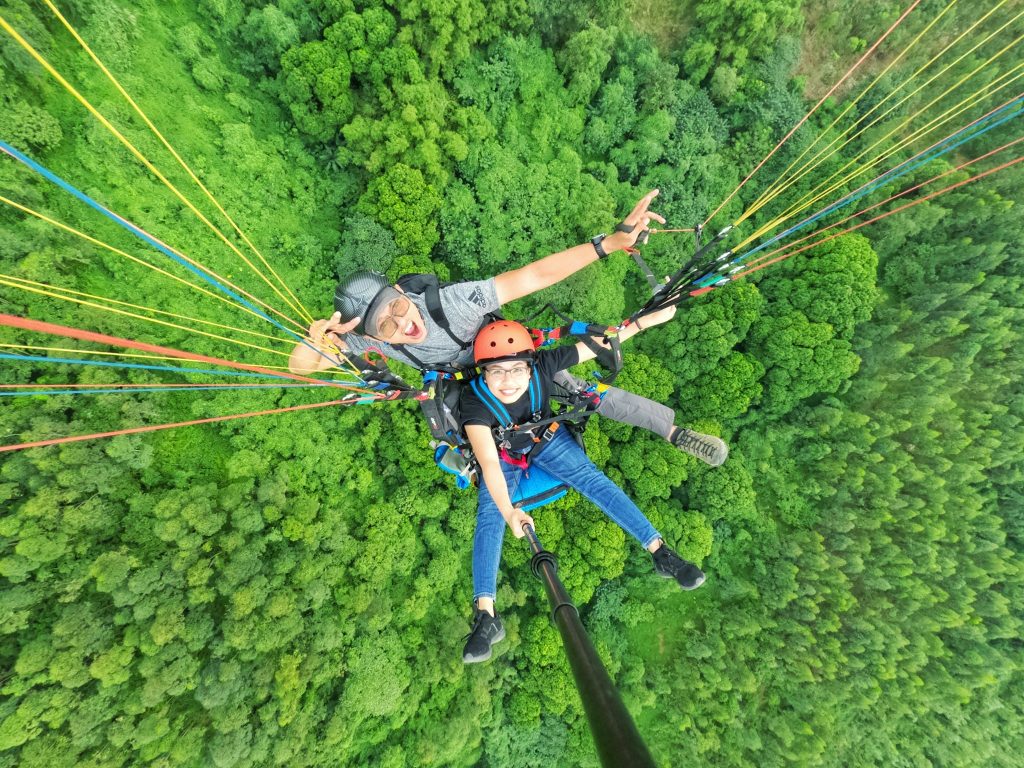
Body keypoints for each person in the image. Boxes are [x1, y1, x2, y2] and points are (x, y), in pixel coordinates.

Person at [288, 190, 728, 466]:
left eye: (398, 306)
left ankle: (674, 432)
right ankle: (488, 472)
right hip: (459, 382)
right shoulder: (366, 337)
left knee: (577, 388)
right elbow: (300, 369)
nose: (403, 323)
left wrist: (606, 244)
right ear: (372, 333)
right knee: (462, 426)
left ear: (402, 290)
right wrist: (315, 339)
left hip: (501, 351)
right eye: (386, 324)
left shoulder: (454, 304)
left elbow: (531, 276)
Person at [459, 317, 706, 663]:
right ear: (483, 373)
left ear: (530, 367)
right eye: (497, 372)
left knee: (594, 482)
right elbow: (487, 461)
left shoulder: (544, 365)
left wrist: (648, 320)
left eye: (516, 369)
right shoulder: (474, 403)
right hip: (505, 457)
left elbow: (597, 345)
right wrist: (508, 509)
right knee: (490, 515)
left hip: (546, 439)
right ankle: (487, 614)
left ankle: (660, 552)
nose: (508, 380)